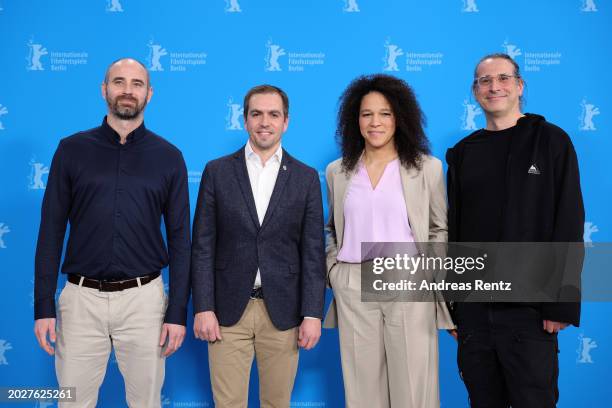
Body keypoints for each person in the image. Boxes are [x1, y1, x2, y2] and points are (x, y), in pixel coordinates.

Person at [33, 58, 191, 408]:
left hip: (144, 301)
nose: (127, 90)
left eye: (136, 84)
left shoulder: (169, 157)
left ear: (149, 93)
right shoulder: (71, 150)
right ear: (104, 90)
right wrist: (43, 305)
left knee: (147, 402)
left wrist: (177, 311)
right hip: (80, 301)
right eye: (119, 82)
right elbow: (51, 231)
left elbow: (181, 240)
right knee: (72, 402)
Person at [446, 53, 584, 407]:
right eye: (485, 80)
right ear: (474, 91)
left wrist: (561, 304)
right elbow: (455, 234)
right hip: (475, 313)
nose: (495, 87)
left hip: (531, 313)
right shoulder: (462, 154)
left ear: (520, 86)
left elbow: (568, 222)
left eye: (503, 78)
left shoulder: (552, 141)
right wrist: (452, 306)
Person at [191, 84, 326, 408]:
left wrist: (312, 313)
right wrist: (203, 307)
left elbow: (312, 253)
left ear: (286, 122)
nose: (265, 122)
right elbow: (203, 246)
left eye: (273, 114)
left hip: (283, 311)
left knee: (277, 403)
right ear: (245, 119)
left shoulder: (306, 178)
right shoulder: (217, 171)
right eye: (257, 114)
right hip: (225, 313)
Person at [323, 74, 454, 408]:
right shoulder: (337, 171)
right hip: (353, 281)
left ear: (400, 118)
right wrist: (334, 271)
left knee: (414, 387)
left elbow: (440, 228)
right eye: (367, 114)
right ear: (355, 120)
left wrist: (428, 273)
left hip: (408, 279)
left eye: (385, 113)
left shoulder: (428, 168)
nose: (375, 122)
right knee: (362, 389)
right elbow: (331, 230)